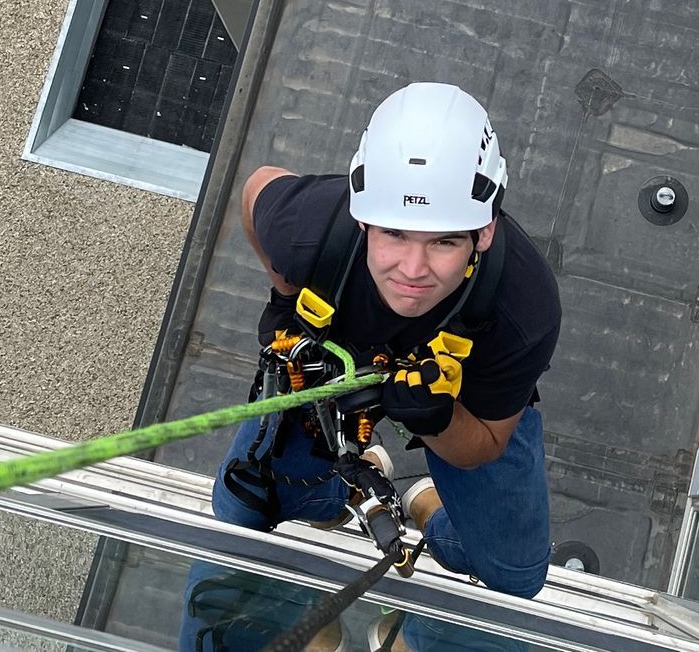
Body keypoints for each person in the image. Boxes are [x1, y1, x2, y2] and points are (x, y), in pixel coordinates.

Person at [212, 81, 562, 601]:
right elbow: (256, 189)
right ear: (363, 217)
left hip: (463, 398)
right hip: (328, 367)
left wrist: (436, 419)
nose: (413, 271)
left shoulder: (522, 308)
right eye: (394, 234)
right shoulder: (309, 225)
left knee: (515, 577)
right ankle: (341, 490)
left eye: (443, 241)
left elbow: (485, 442)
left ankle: (431, 516)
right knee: (240, 508)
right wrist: (286, 302)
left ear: (484, 232)